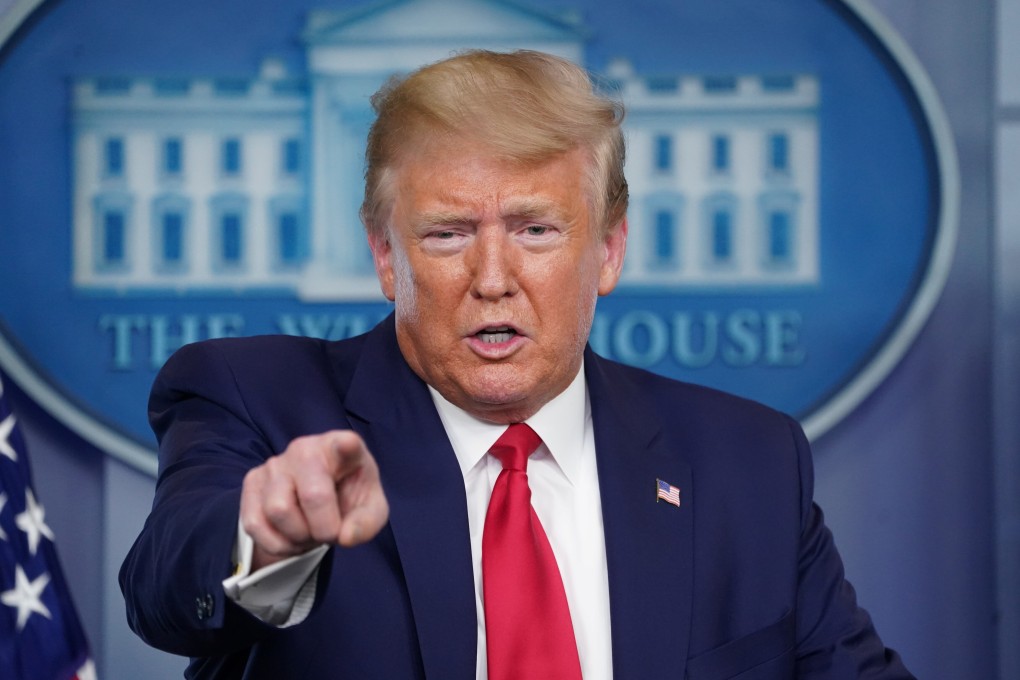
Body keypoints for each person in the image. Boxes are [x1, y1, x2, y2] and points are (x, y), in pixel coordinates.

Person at [120, 49, 914, 679]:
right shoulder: (257, 401)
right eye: (447, 234)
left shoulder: (749, 462)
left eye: (535, 230)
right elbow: (165, 594)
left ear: (609, 249)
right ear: (386, 255)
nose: (492, 278)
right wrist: (266, 540)